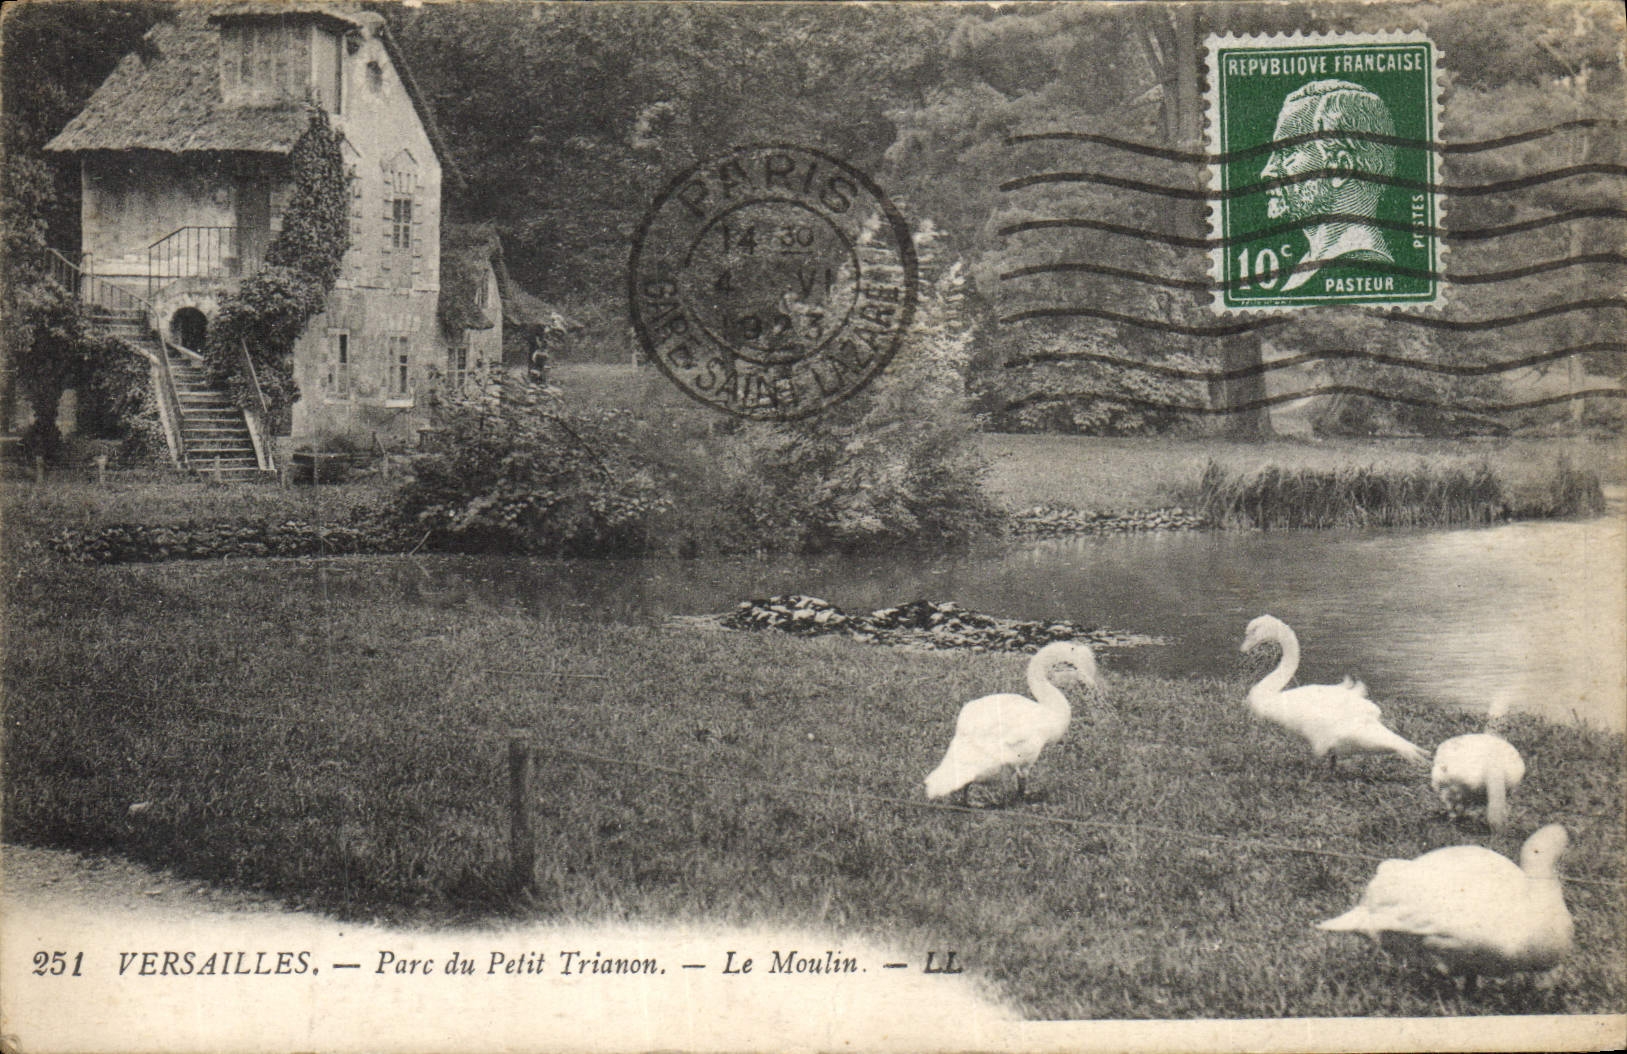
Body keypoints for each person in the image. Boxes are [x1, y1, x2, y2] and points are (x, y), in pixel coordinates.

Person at [1258, 79, 1397, 291]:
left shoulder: (1361, 266)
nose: (1266, 172)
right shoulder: (1309, 265)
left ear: (1339, 168)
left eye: (1287, 152)